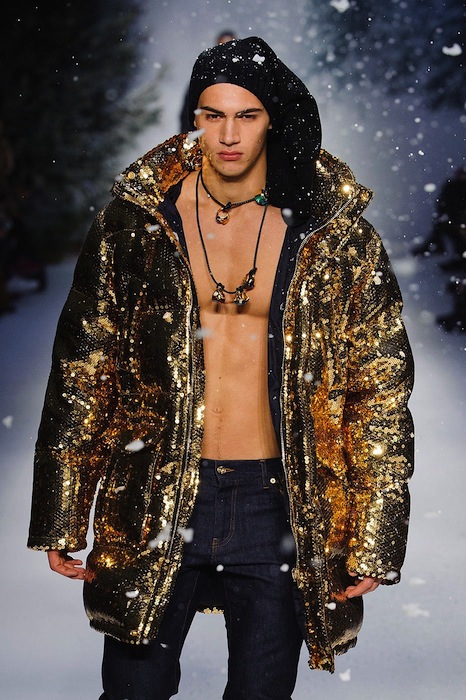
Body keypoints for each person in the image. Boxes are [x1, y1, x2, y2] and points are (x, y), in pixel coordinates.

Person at [28, 37, 414, 699]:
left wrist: (376, 531)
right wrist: (62, 512)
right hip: (155, 491)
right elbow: (84, 369)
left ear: (273, 119)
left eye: (247, 115)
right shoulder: (137, 223)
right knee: (132, 689)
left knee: (262, 691)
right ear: (194, 117)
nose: (228, 135)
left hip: (279, 501)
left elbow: (377, 388)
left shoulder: (335, 233)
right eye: (213, 115)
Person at [179, 29, 237, 132]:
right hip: (208, 132)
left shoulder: (247, 74)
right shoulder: (204, 74)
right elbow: (188, 111)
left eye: (230, 46)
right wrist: (189, 135)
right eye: (222, 46)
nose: (226, 50)